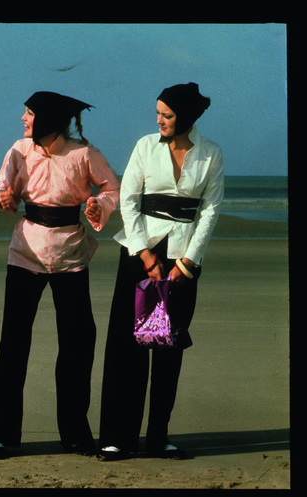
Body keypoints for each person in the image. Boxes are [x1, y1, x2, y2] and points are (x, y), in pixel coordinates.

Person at [0, 91, 120, 459]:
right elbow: (2, 189)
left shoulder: (83, 153)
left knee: (77, 343)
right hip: (26, 253)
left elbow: (111, 187)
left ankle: (75, 434)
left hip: (71, 255)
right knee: (13, 342)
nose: (23, 119)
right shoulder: (20, 150)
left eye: (29, 114)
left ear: (48, 120)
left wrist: (97, 204)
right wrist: (2, 198)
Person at [97, 82, 224, 461]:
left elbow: (210, 210)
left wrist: (188, 261)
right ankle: (117, 437)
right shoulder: (144, 146)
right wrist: (145, 256)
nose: (159, 121)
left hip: (183, 262)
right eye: (158, 113)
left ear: (185, 116)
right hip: (140, 254)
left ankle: (158, 437)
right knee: (128, 346)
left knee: (168, 347)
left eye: (167, 115)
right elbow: (129, 202)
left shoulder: (211, 154)